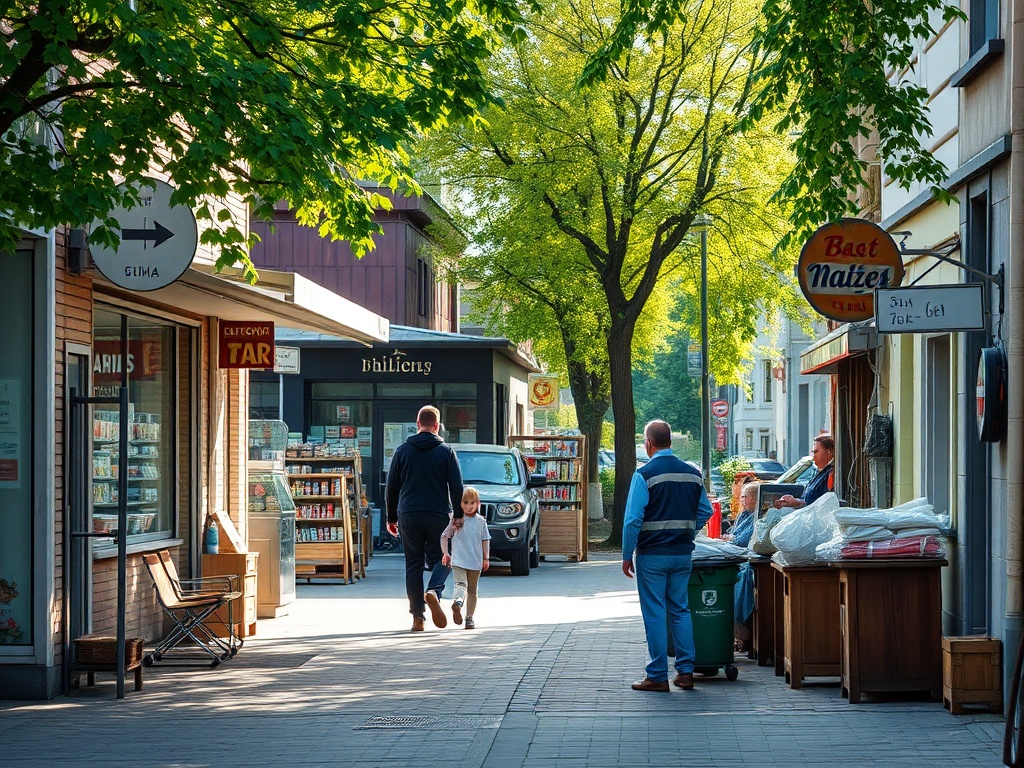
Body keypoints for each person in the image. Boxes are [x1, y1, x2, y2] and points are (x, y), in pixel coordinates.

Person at [622, 420, 713, 692]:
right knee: (680, 610)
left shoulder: (644, 474)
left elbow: (632, 520)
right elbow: (705, 511)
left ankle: (657, 675)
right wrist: (688, 532)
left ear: (649, 443)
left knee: (654, 613)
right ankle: (685, 672)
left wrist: (627, 554)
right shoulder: (693, 474)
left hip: (652, 555)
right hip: (681, 553)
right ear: (670, 441)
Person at [385, 405, 464, 632]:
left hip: (408, 514)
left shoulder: (402, 451)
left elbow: (392, 488)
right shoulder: (446, 451)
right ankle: (434, 590)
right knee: (445, 557)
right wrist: (458, 516)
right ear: (437, 426)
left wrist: (391, 517)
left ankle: (417, 617)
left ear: (417, 424)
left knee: (413, 564)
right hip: (438, 514)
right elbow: (456, 487)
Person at [440, 486, 491, 630]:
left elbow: (485, 539)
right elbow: (445, 535)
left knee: (469, 588)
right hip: (459, 561)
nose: (469, 506)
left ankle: (462, 607)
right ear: (459, 504)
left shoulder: (481, 521)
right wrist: (446, 553)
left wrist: (486, 558)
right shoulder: (455, 520)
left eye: (472, 503)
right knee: (466, 587)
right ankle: (465, 613)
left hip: (475, 561)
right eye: (465, 502)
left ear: (478, 503)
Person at [774, 433, 835, 510]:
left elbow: (825, 505)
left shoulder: (831, 474)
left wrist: (797, 502)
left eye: (816, 452)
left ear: (828, 452)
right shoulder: (819, 472)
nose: (813, 456)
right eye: (813, 452)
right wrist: (793, 501)